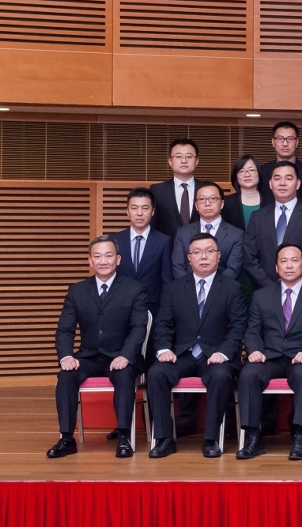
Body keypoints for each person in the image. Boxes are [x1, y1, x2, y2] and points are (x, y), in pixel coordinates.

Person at [146, 233, 247, 459]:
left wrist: (223, 352)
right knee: (156, 373)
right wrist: (163, 349)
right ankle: (164, 438)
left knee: (220, 376)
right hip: (182, 354)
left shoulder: (232, 287)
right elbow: (163, 324)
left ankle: (211, 439)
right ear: (188, 258)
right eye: (197, 252)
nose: (204, 257)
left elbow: (238, 326)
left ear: (219, 257)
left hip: (217, 354)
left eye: (209, 251)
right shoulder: (174, 288)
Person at [48, 237, 149, 459]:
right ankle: (66, 438)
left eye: (108, 255)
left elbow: (138, 328)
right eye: (97, 256)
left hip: (120, 356)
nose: (103, 261)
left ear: (118, 259)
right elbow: (64, 330)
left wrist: (126, 355)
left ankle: (124, 437)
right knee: (65, 376)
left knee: (123, 375)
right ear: (90, 261)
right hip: (89, 356)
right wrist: (66, 356)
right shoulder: (77, 291)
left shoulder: (134, 289)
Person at [236, 244, 302, 461]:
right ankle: (253, 436)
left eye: (294, 260)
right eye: (283, 261)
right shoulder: (261, 296)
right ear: (276, 267)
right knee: (249, 374)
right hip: (269, 356)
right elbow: (252, 330)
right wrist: (254, 350)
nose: (289, 265)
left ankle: (300, 436)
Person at [243, 163, 302, 288]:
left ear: (297, 184)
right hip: (265, 291)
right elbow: (250, 258)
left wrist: (291, 282)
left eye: (288, 178)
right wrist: (269, 285)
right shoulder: (258, 217)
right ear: (270, 184)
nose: (282, 183)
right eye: (277, 178)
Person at [113, 188, 172, 315]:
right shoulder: (114, 240)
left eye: (145, 208)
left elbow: (166, 282)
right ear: (127, 212)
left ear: (152, 212)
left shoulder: (164, 241)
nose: (139, 213)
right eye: (134, 208)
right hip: (119, 309)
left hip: (152, 310)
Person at [171, 182, 243, 280]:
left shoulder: (236, 234)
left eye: (213, 198)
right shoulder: (182, 233)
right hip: (188, 291)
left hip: (221, 290)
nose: (207, 203)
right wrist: (192, 288)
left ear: (221, 204)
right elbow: (178, 267)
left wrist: (211, 288)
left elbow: (233, 269)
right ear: (196, 206)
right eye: (202, 199)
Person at [149, 138, 200, 239]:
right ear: (170, 161)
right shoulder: (157, 191)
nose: (184, 161)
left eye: (189, 156)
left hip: (201, 250)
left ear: (197, 161)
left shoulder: (207, 189)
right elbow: (152, 226)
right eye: (178, 156)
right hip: (168, 250)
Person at [261, 121, 302, 192]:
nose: (285, 144)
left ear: (297, 142)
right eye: (280, 138)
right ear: (273, 142)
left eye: (290, 139)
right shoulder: (262, 172)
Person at [222, 154, 262, 231]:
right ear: (236, 177)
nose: (247, 174)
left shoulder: (271, 201)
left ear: (259, 173)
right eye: (241, 171)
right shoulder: (226, 203)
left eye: (251, 170)